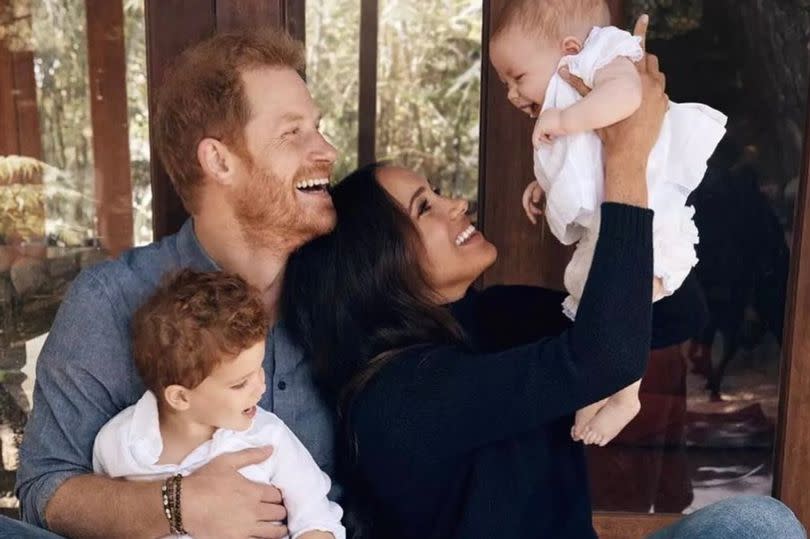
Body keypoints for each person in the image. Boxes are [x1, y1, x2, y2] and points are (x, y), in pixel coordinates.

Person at [281, 20, 805, 539]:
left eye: (438, 191)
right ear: (376, 264)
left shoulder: (495, 315)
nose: (456, 204)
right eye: (426, 208)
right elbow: (605, 358)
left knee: (759, 525)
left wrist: (617, 168)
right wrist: (624, 158)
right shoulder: (397, 398)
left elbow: (672, 315)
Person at [15, 28, 337, 539]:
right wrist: (176, 504)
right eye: (292, 132)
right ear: (219, 161)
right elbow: (43, 491)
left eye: (318, 128)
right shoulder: (110, 302)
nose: (327, 149)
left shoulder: (345, 290)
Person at [488, 0, 727, 446]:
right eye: (504, 83)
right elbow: (585, 160)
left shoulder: (607, 56)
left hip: (648, 215)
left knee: (623, 300)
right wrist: (544, 184)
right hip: (615, 215)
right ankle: (601, 385)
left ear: (570, 48)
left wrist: (565, 118)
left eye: (517, 77)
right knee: (592, 293)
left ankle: (625, 394)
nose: (511, 94)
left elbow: (627, 97)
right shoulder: (573, 86)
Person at [92, 270, 345, 539]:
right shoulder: (118, 445)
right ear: (180, 397)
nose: (261, 387)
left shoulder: (268, 437)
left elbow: (315, 515)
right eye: (239, 384)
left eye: (259, 369)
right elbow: (104, 521)